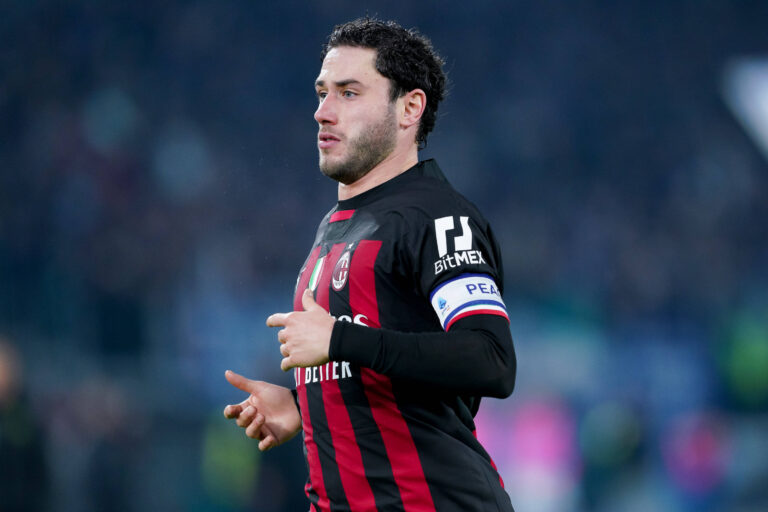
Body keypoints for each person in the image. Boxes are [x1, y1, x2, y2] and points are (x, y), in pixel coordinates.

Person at [224, 17, 516, 512]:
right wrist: (303, 405)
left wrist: (339, 340)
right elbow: (384, 371)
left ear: (409, 108)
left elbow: (491, 359)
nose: (322, 112)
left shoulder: (437, 216)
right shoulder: (336, 225)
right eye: (322, 93)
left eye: (349, 93)